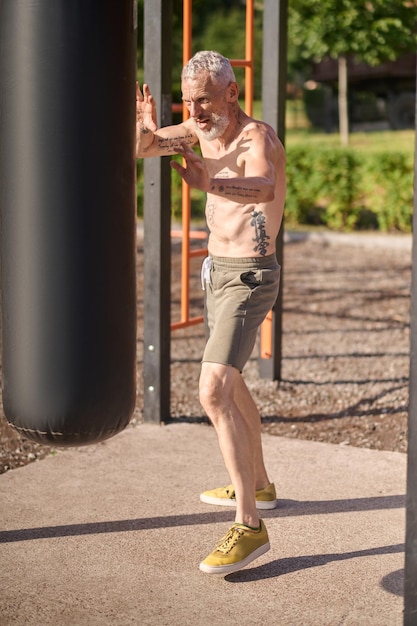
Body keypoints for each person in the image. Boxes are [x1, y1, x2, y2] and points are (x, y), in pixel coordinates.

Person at [136, 50, 286, 575]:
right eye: (189, 101)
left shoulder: (256, 137)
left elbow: (263, 186)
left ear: (232, 93)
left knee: (212, 390)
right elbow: (146, 150)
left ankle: (250, 525)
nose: (195, 111)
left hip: (250, 277)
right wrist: (146, 128)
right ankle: (260, 486)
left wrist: (210, 185)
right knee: (233, 382)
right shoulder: (201, 129)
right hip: (217, 274)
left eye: (204, 99)